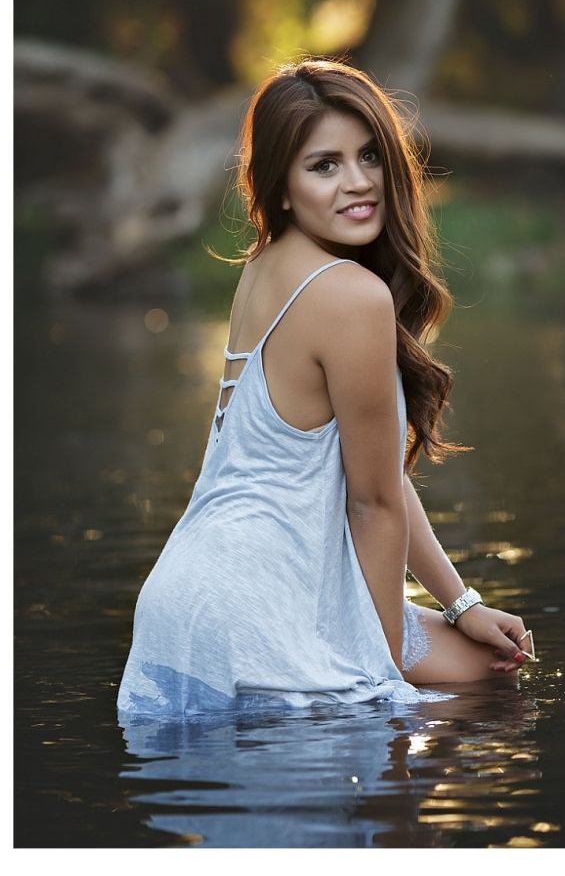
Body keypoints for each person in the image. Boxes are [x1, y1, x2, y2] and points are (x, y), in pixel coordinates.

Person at [117, 59, 531, 719]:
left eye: (369, 155)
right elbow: (372, 505)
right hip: (252, 608)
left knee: (484, 666)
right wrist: (382, 667)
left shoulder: (264, 267)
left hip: (184, 600)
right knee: (476, 695)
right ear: (280, 187)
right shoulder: (351, 294)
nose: (359, 182)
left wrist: (461, 603)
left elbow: (380, 480)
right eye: (324, 165)